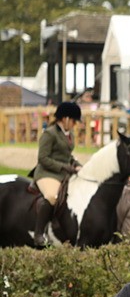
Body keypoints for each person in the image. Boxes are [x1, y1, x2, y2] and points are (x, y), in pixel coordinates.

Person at [31, 101, 82, 247]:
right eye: (73, 121)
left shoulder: (69, 134)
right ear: (65, 119)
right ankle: (39, 234)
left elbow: (67, 155)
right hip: (47, 173)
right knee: (52, 196)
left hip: (63, 174)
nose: (75, 124)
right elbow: (43, 158)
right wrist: (64, 167)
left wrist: (76, 164)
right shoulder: (49, 133)